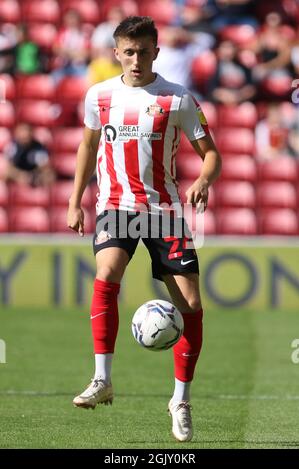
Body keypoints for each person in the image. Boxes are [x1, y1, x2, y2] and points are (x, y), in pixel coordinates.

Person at [67, 16, 222, 443]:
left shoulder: (177, 98)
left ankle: (181, 400)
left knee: (190, 302)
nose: (136, 60)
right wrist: (74, 199)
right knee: (107, 273)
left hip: (164, 210)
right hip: (115, 205)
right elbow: (87, 146)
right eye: (128, 52)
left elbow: (211, 154)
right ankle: (102, 378)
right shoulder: (98, 96)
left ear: (157, 52)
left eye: (144, 51)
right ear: (116, 52)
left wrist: (203, 180)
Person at [3, 123, 55, 187]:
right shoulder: (12, 146)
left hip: (34, 174)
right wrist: (20, 175)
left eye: (27, 132)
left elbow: (45, 167)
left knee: (49, 176)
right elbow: (9, 167)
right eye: (22, 133)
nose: (24, 135)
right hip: (17, 173)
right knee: (5, 174)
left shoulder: (38, 148)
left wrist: (31, 176)